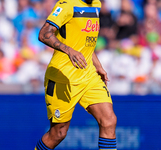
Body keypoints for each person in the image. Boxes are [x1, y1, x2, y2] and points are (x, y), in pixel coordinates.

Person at [35, 0, 117, 150]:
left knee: (109, 120)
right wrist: (69, 50)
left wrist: (98, 65)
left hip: (88, 74)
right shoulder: (66, 4)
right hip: (63, 77)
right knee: (58, 133)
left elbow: (85, 43)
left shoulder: (96, 5)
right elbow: (43, 34)